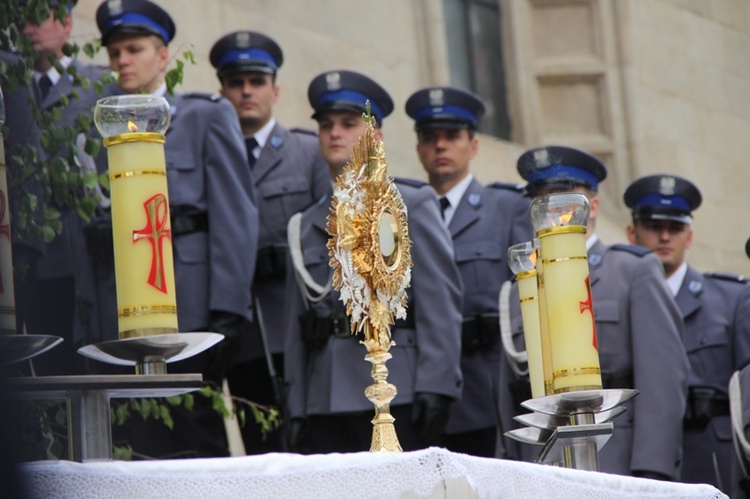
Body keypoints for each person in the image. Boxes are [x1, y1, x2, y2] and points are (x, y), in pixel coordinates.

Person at [75, 0, 258, 458]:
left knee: (196, 441)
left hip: (191, 310)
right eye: (113, 52)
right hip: (123, 316)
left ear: (163, 56)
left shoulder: (204, 116)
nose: (121, 61)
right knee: (135, 445)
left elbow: (235, 215)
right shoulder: (101, 131)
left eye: (134, 49)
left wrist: (228, 312)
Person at [283, 70, 463, 453]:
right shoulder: (303, 224)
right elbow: (294, 326)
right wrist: (295, 404)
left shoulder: (410, 204)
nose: (335, 133)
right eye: (326, 125)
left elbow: (440, 303)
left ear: (375, 137)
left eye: (349, 124)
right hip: (327, 392)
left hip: (400, 386)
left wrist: (437, 384)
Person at [500, 145, 689, 480]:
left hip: (614, 457)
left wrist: (652, 470)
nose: (550, 208)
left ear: (593, 207)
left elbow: (662, 378)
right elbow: (508, 392)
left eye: (562, 198)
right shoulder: (521, 285)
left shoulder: (631, 271)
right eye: (540, 199)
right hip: (535, 464)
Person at [208, 30, 329, 453]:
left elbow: (327, 233)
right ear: (221, 91)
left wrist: (290, 258)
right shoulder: (211, 153)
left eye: (256, 82)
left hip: (293, 328)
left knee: (309, 447)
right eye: (236, 83)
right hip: (241, 333)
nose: (246, 92)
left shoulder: (307, 152)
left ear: (274, 89)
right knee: (260, 452)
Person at [404, 86, 530, 457]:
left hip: (487, 383)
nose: (440, 146)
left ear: (473, 146)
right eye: (430, 138)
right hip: (420, 383)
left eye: (452, 137)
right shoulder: (396, 217)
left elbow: (526, 298)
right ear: (419, 149)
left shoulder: (507, 209)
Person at [624, 174, 750, 492]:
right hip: (640, 459)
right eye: (653, 227)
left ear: (689, 237)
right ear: (631, 233)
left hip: (712, 459)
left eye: (675, 228)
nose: (665, 236)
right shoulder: (617, 305)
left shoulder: (731, 299)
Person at [3, 0, 103, 375]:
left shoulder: (98, 85)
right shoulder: (10, 82)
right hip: (29, 259)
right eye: (21, 18)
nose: (28, 27)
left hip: (83, 258)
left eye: (38, 17)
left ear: (65, 21)